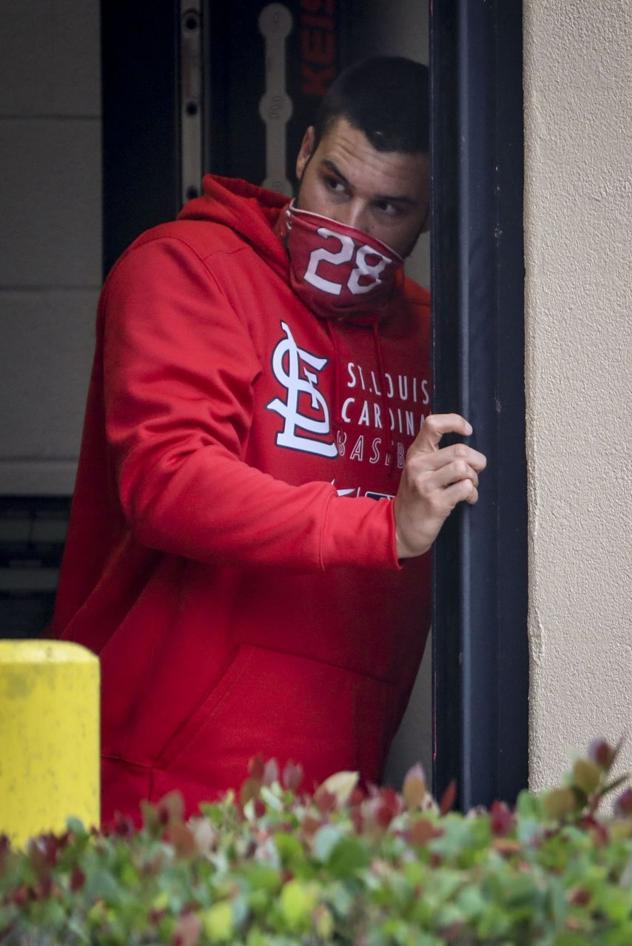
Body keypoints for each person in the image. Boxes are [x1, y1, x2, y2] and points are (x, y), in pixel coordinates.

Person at [51, 57, 485, 822]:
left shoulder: (437, 339)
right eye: (335, 185)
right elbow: (170, 480)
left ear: (430, 214)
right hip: (154, 782)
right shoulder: (188, 270)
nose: (350, 230)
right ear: (302, 152)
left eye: (389, 208)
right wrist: (381, 525)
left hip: (335, 794)